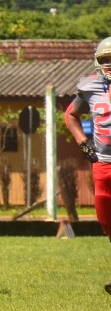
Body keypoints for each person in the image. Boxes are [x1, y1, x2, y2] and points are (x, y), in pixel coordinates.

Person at [63, 36, 111, 295]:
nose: (110, 65)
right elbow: (70, 114)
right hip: (103, 165)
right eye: (106, 61)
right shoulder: (91, 87)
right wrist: (83, 142)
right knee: (106, 221)